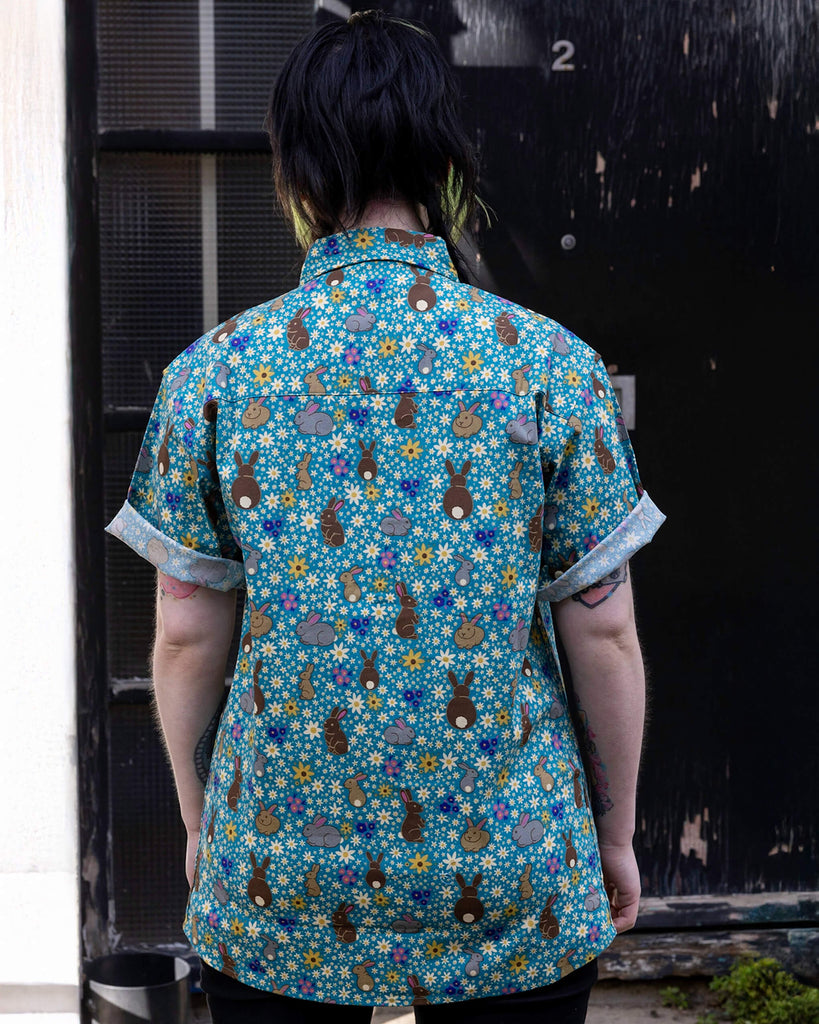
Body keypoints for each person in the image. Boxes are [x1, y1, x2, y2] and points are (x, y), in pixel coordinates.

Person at [106, 10, 665, 1023]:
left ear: (296, 171)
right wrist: (614, 834)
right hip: (510, 870)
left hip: (281, 869)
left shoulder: (215, 375)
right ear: (443, 162)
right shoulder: (548, 365)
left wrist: (206, 828)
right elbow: (607, 629)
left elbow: (185, 632)